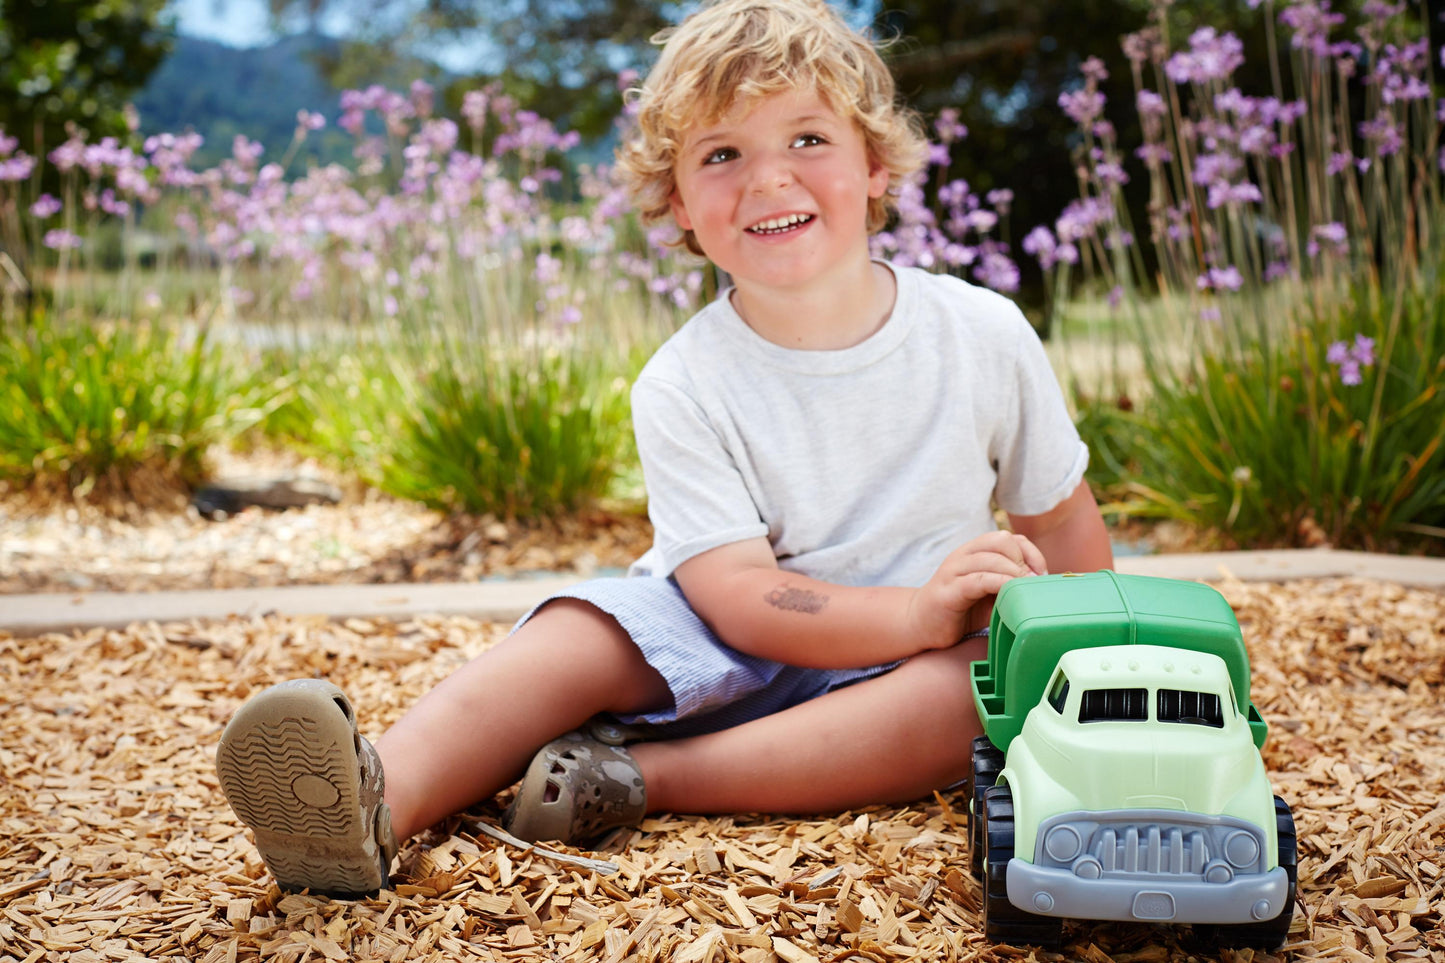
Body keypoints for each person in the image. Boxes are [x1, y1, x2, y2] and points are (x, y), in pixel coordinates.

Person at [215, 0, 1114, 899]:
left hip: (911, 662)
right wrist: (909, 611)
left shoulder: (980, 332)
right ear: (678, 202)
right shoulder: (684, 379)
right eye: (722, 154)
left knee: (988, 691)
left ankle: (642, 777)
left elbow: (1061, 522)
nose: (768, 181)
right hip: (728, 634)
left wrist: (1102, 662)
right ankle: (374, 802)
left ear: (874, 164)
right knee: (579, 631)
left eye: (806, 139)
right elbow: (740, 598)